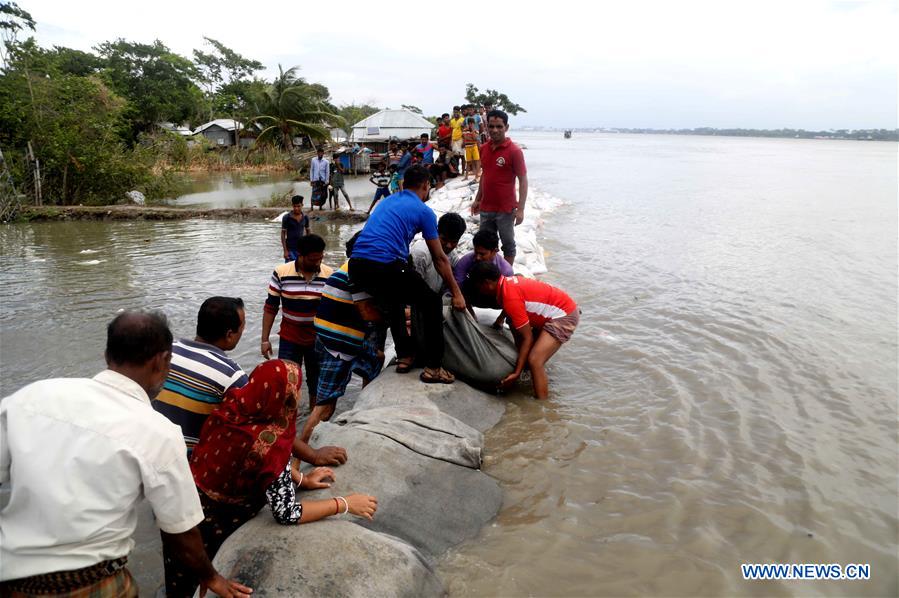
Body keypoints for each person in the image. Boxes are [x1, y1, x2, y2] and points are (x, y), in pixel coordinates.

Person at [0, 311, 251, 598]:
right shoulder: (160, 433)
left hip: (11, 579)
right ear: (162, 360)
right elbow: (181, 532)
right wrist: (212, 577)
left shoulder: (30, 397)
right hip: (91, 583)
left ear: (108, 353)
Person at [163, 359, 378, 598]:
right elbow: (287, 512)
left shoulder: (236, 404)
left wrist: (302, 480)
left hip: (182, 509)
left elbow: (258, 461)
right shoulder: (267, 444)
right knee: (198, 585)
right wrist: (345, 504)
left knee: (177, 579)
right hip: (214, 523)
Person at [349, 165, 465, 384]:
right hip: (384, 264)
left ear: (403, 183)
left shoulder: (388, 201)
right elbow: (440, 258)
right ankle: (433, 367)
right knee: (431, 302)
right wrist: (457, 293)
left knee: (395, 301)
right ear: (425, 186)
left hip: (356, 266)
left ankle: (404, 356)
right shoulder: (424, 211)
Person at [262, 234, 348, 467]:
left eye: (321, 257)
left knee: (316, 383)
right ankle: (285, 426)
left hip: (319, 339)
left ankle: (313, 427)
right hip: (290, 337)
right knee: (287, 384)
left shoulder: (330, 274)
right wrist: (264, 339)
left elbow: (338, 309)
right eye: (313, 259)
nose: (317, 262)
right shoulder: (281, 272)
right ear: (300, 256)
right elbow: (271, 307)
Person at [304, 233, 384, 444]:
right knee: (326, 406)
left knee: (375, 359)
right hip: (337, 344)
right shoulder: (359, 272)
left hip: (329, 337)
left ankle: (363, 412)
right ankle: (299, 452)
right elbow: (369, 314)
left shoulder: (347, 267)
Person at [467, 262, 579, 400]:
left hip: (564, 315)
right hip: (553, 312)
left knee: (535, 360)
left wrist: (516, 373)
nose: (479, 291)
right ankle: (531, 378)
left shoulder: (509, 296)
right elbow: (515, 324)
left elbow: (527, 338)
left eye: (478, 287)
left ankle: (542, 408)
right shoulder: (505, 286)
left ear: (487, 283)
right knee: (515, 327)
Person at [153, 297, 248, 455]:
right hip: (194, 463)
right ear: (230, 335)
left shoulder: (164, 351)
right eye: (242, 328)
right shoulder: (233, 376)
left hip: (154, 449)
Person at [470, 109, 528, 266]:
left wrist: (521, 209)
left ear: (506, 127)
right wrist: (477, 199)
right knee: (485, 244)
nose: (495, 130)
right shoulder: (483, 148)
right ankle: (488, 273)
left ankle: (506, 276)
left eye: (499, 126)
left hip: (506, 209)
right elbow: (485, 175)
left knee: (508, 245)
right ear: (487, 127)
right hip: (486, 208)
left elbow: (523, 180)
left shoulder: (514, 151)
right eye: (491, 126)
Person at [409, 212, 466, 295]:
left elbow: (459, 274)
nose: (449, 246)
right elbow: (412, 287)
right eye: (444, 239)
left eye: (454, 242)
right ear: (436, 233)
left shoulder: (451, 254)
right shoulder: (421, 254)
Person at [281, 195, 310, 261]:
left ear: (302, 205)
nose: (296, 208)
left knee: (301, 269)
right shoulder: (287, 217)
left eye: (298, 206)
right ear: (292, 205)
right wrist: (285, 251)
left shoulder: (305, 217)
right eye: (294, 206)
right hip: (290, 249)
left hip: (301, 249)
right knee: (289, 269)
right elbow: (283, 234)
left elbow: (308, 233)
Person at [449, 106, 466, 172]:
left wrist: (464, 141)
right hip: (454, 140)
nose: (455, 113)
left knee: (462, 156)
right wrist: (450, 141)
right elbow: (451, 131)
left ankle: (462, 172)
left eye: (457, 112)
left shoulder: (462, 119)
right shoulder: (452, 121)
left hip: (460, 139)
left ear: (459, 112)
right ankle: (457, 170)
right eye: (454, 112)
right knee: (455, 156)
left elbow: (464, 131)